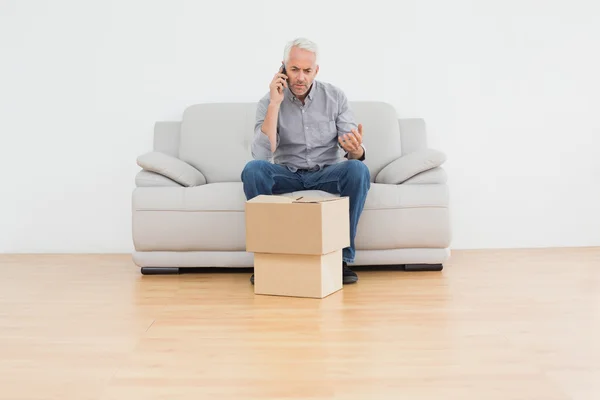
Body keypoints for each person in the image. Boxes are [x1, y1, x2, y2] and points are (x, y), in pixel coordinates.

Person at [241, 37, 370, 285]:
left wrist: (355, 150)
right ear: (283, 69)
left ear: (316, 71)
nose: (300, 77)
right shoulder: (268, 102)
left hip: (326, 174)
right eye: (294, 69)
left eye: (307, 71)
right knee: (253, 170)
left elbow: (352, 148)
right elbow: (261, 154)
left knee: (357, 170)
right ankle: (269, 259)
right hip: (287, 174)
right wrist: (275, 104)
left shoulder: (335, 97)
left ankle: (341, 258)